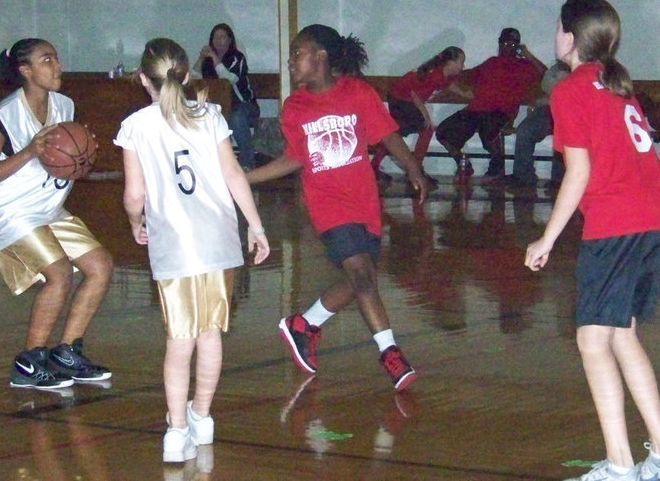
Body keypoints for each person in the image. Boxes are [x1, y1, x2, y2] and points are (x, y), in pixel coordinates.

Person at [525, 0, 660, 481]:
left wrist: (547, 239)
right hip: (659, 217)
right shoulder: (617, 84)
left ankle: (620, 467)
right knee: (621, 335)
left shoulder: (570, 90)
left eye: (558, 26)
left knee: (592, 341)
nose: (554, 34)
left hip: (620, 220)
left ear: (570, 37)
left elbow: (578, 172)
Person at [246, 24, 428, 391]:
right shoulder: (295, 107)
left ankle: (303, 325)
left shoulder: (358, 93)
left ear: (321, 56)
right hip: (328, 206)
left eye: (297, 54)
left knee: (361, 279)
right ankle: (390, 354)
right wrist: (244, 179)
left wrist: (413, 167)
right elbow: (295, 157)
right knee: (362, 276)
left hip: (364, 202)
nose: (290, 61)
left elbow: (387, 135)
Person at [116, 38, 270, 462]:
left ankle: (176, 432)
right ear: (186, 75)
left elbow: (134, 195)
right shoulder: (211, 114)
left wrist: (134, 222)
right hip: (218, 240)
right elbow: (234, 174)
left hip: (175, 245)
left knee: (179, 341)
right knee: (210, 334)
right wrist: (256, 227)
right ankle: (202, 417)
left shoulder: (136, 126)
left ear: (142, 78)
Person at [0, 38, 113, 390]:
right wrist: (28, 151)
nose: (57, 65)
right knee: (59, 274)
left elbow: (67, 155)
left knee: (100, 266)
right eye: (47, 60)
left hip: (45, 207)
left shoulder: (64, 105)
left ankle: (67, 352)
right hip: (6, 208)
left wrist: (83, 154)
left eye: (56, 58)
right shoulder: (3, 116)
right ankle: (29, 362)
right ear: (26, 70)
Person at [436, 27, 546, 183]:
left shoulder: (525, 65)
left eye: (512, 44)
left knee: (488, 127)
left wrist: (527, 54)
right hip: (476, 109)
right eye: (505, 43)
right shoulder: (491, 62)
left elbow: (546, 75)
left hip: (501, 112)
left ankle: (497, 167)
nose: (507, 47)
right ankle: (463, 162)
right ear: (499, 44)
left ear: (517, 47)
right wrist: (444, 80)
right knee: (443, 132)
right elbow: (467, 75)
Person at [370, 46, 471, 188]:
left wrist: (464, 94)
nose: (463, 66)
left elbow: (447, 84)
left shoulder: (443, 73)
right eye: (461, 62)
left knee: (397, 133)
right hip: (401, 98)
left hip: (403, 98)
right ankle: (416, 170)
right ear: (450, 62)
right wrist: (426, 116)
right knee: (423, 129)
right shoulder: (434, 74)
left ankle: (377, 167)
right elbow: (415, 95)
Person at [194, 23, 260, 170]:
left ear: (230, 40)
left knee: (236, 118)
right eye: (215, 37)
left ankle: (247, 163)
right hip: (218, 106)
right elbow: (194, 77)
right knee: (200, 116)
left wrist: (214, 58)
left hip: (245, 106)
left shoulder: (238, 58)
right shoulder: (207, 61)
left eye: (222, 37)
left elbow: (229, 80)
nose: (218, 40)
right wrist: (201, 58)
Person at [501, 60, 570, 188]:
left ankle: (559, 179)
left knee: (564, 131)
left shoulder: (585, 68)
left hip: (570, 109)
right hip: (547, 108)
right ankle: (523, 176)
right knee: (525, 130)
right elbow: (546, 86)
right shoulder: (555, 69)